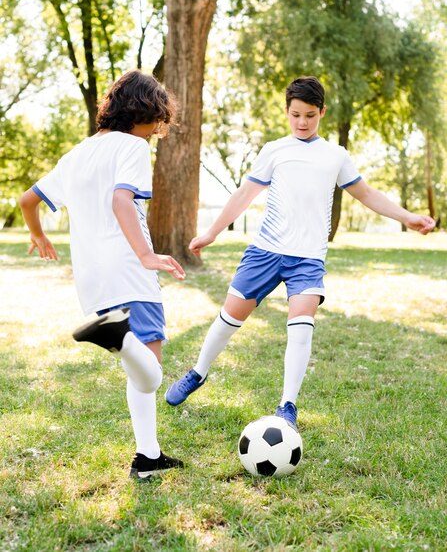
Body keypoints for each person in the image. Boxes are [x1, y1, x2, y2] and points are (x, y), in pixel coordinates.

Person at [165, 75, 435, 428]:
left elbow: (367, 195)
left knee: (302, 327)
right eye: (295, 115)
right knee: (229, 319)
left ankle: (287, 406)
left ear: (322, 112)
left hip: (307, 259)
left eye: (309, 115)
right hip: (265, 252)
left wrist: (409, 217)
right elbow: (244, 195)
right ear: (287, 112)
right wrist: (211, 232)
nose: (302, 122)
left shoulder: (335, 155)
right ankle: (198, 373)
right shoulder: (275, 150)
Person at [20, 70, 186, 479]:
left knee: (137, 371)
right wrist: (146, 255)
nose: (157, 129)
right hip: (128, 269)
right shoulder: (132, 146)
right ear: (144, 112)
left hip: (90, 278)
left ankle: (147, 457)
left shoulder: (76, 154)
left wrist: (39, 235)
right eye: (158, 119)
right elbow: (121, 200)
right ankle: (119, 338)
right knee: (150, 370)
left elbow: (28, 200)